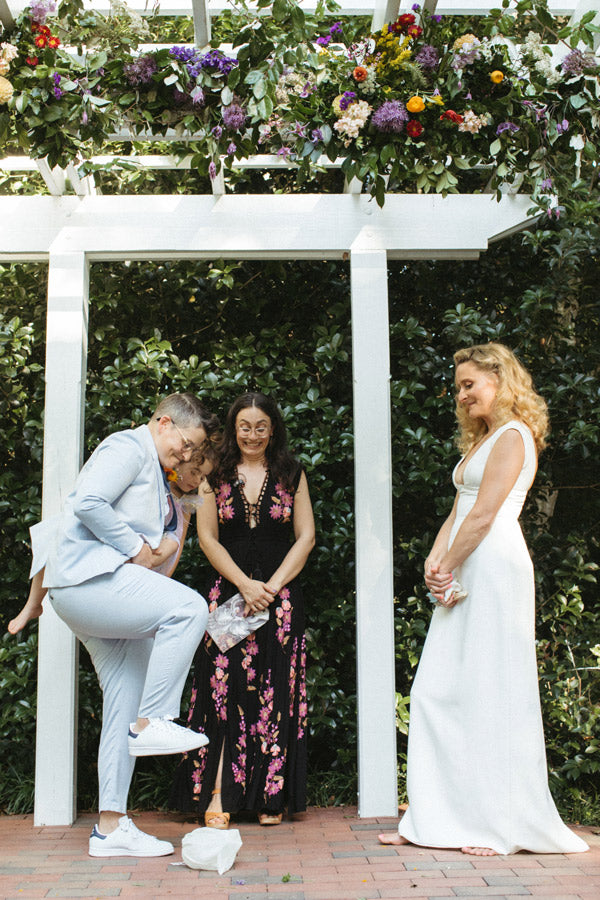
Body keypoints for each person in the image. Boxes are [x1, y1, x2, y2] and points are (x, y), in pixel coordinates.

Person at [379, 343, 588, 856]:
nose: (462, 394)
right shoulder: (484, 441)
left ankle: (497, 826)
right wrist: (435, 561)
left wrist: (448, 564)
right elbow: (458, 510)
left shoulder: (514, 436)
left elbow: (485, 514)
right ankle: (437, 819)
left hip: (493, 566)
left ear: (501, 379)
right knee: (438, 691)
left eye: (470, 383)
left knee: (492, 690)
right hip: (465, 561)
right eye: (458, 387)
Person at [38, 393, 221, 858]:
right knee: (190, 609)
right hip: (87, 581)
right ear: (163, 423)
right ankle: (156, 718)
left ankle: (110, 827)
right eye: (185, 444)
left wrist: (172, 526)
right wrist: (136, 549)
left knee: (123, 703)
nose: (187, 455)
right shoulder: (127, 446)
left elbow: (160, 569)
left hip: (102, 594)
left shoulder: (163, 482)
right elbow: (86, 501)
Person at [170, 392, 315, 828]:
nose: (252, 435)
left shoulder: (292, 473)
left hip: (279, 597)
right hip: (228, 595)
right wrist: (245, 585)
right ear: (234, 430)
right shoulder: (213, 473)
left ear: (273, 429)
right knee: (221, 693)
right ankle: (217, 794)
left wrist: (269, 588)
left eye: (261, 426)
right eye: (244, 427)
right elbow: (208, 538)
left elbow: (305, 537)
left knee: (274, 693)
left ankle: (269, 798)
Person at [7, 446, 218, 636]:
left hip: (153, 553)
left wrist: (160, 566)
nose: (197, 480)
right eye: (194, 472)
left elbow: (177, 539)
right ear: (178, 464)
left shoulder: (186, 502)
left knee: (169, 547)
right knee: (56, 532)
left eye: (203, 477)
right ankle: (33, 603)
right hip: (127, 545)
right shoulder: (155, 481)